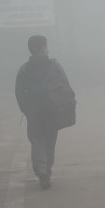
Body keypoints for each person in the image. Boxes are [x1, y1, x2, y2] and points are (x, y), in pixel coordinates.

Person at [15, 35, 73, 189]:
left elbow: (19, 92)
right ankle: (47, 169)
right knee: (50, 140)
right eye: (47, 46)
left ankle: (41, 171)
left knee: (37, 140)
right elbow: (65, 84)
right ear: (43, 48)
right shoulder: (54, 65)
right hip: (52, 109)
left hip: (34, 111)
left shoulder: (24, 69)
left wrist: (26, 109)